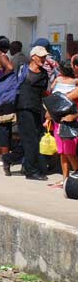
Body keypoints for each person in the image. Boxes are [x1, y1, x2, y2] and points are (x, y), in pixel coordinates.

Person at [2, 46, 49, 180]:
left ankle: (8, 158)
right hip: (23, 108)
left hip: (37, 109)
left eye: (45, 57)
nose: (43, 59)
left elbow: (44, 93)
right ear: (33, 57)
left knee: (30, 141)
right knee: (31, 140)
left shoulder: (44, 74)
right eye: (41, 57)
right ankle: (30, 171)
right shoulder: (22, 70)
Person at [46, 59, 78, 187]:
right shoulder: (61, 81)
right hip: (59, 120)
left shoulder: (74, 83)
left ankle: (75, 178)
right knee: (62, 152)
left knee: (69, 152)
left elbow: (66, 97)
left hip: (71, 121)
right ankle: (65, 180)